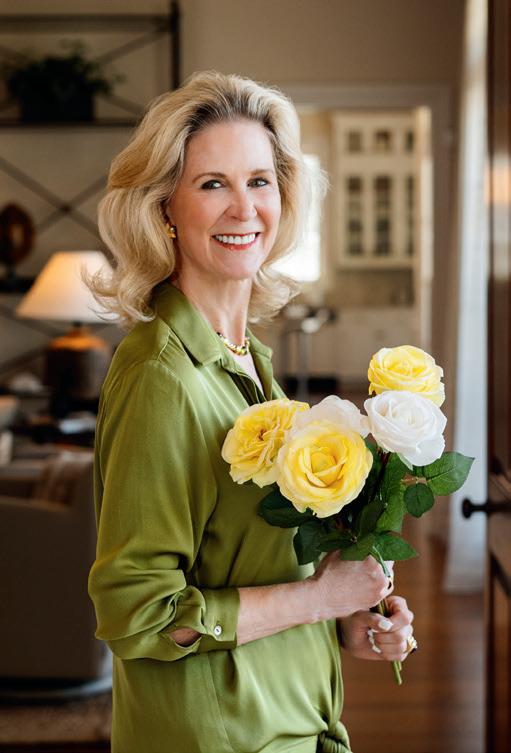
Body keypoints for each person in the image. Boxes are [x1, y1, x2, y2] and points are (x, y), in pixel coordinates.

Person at [87, 71, 415, 753]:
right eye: (213, 184)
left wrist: (343, 618)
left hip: (291, 719)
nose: (244, 208)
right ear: (164, 206)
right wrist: (317, 598)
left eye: (259, 181)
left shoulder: (246, 360)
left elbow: (252, 568)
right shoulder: (161, 376)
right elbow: (138, 613)